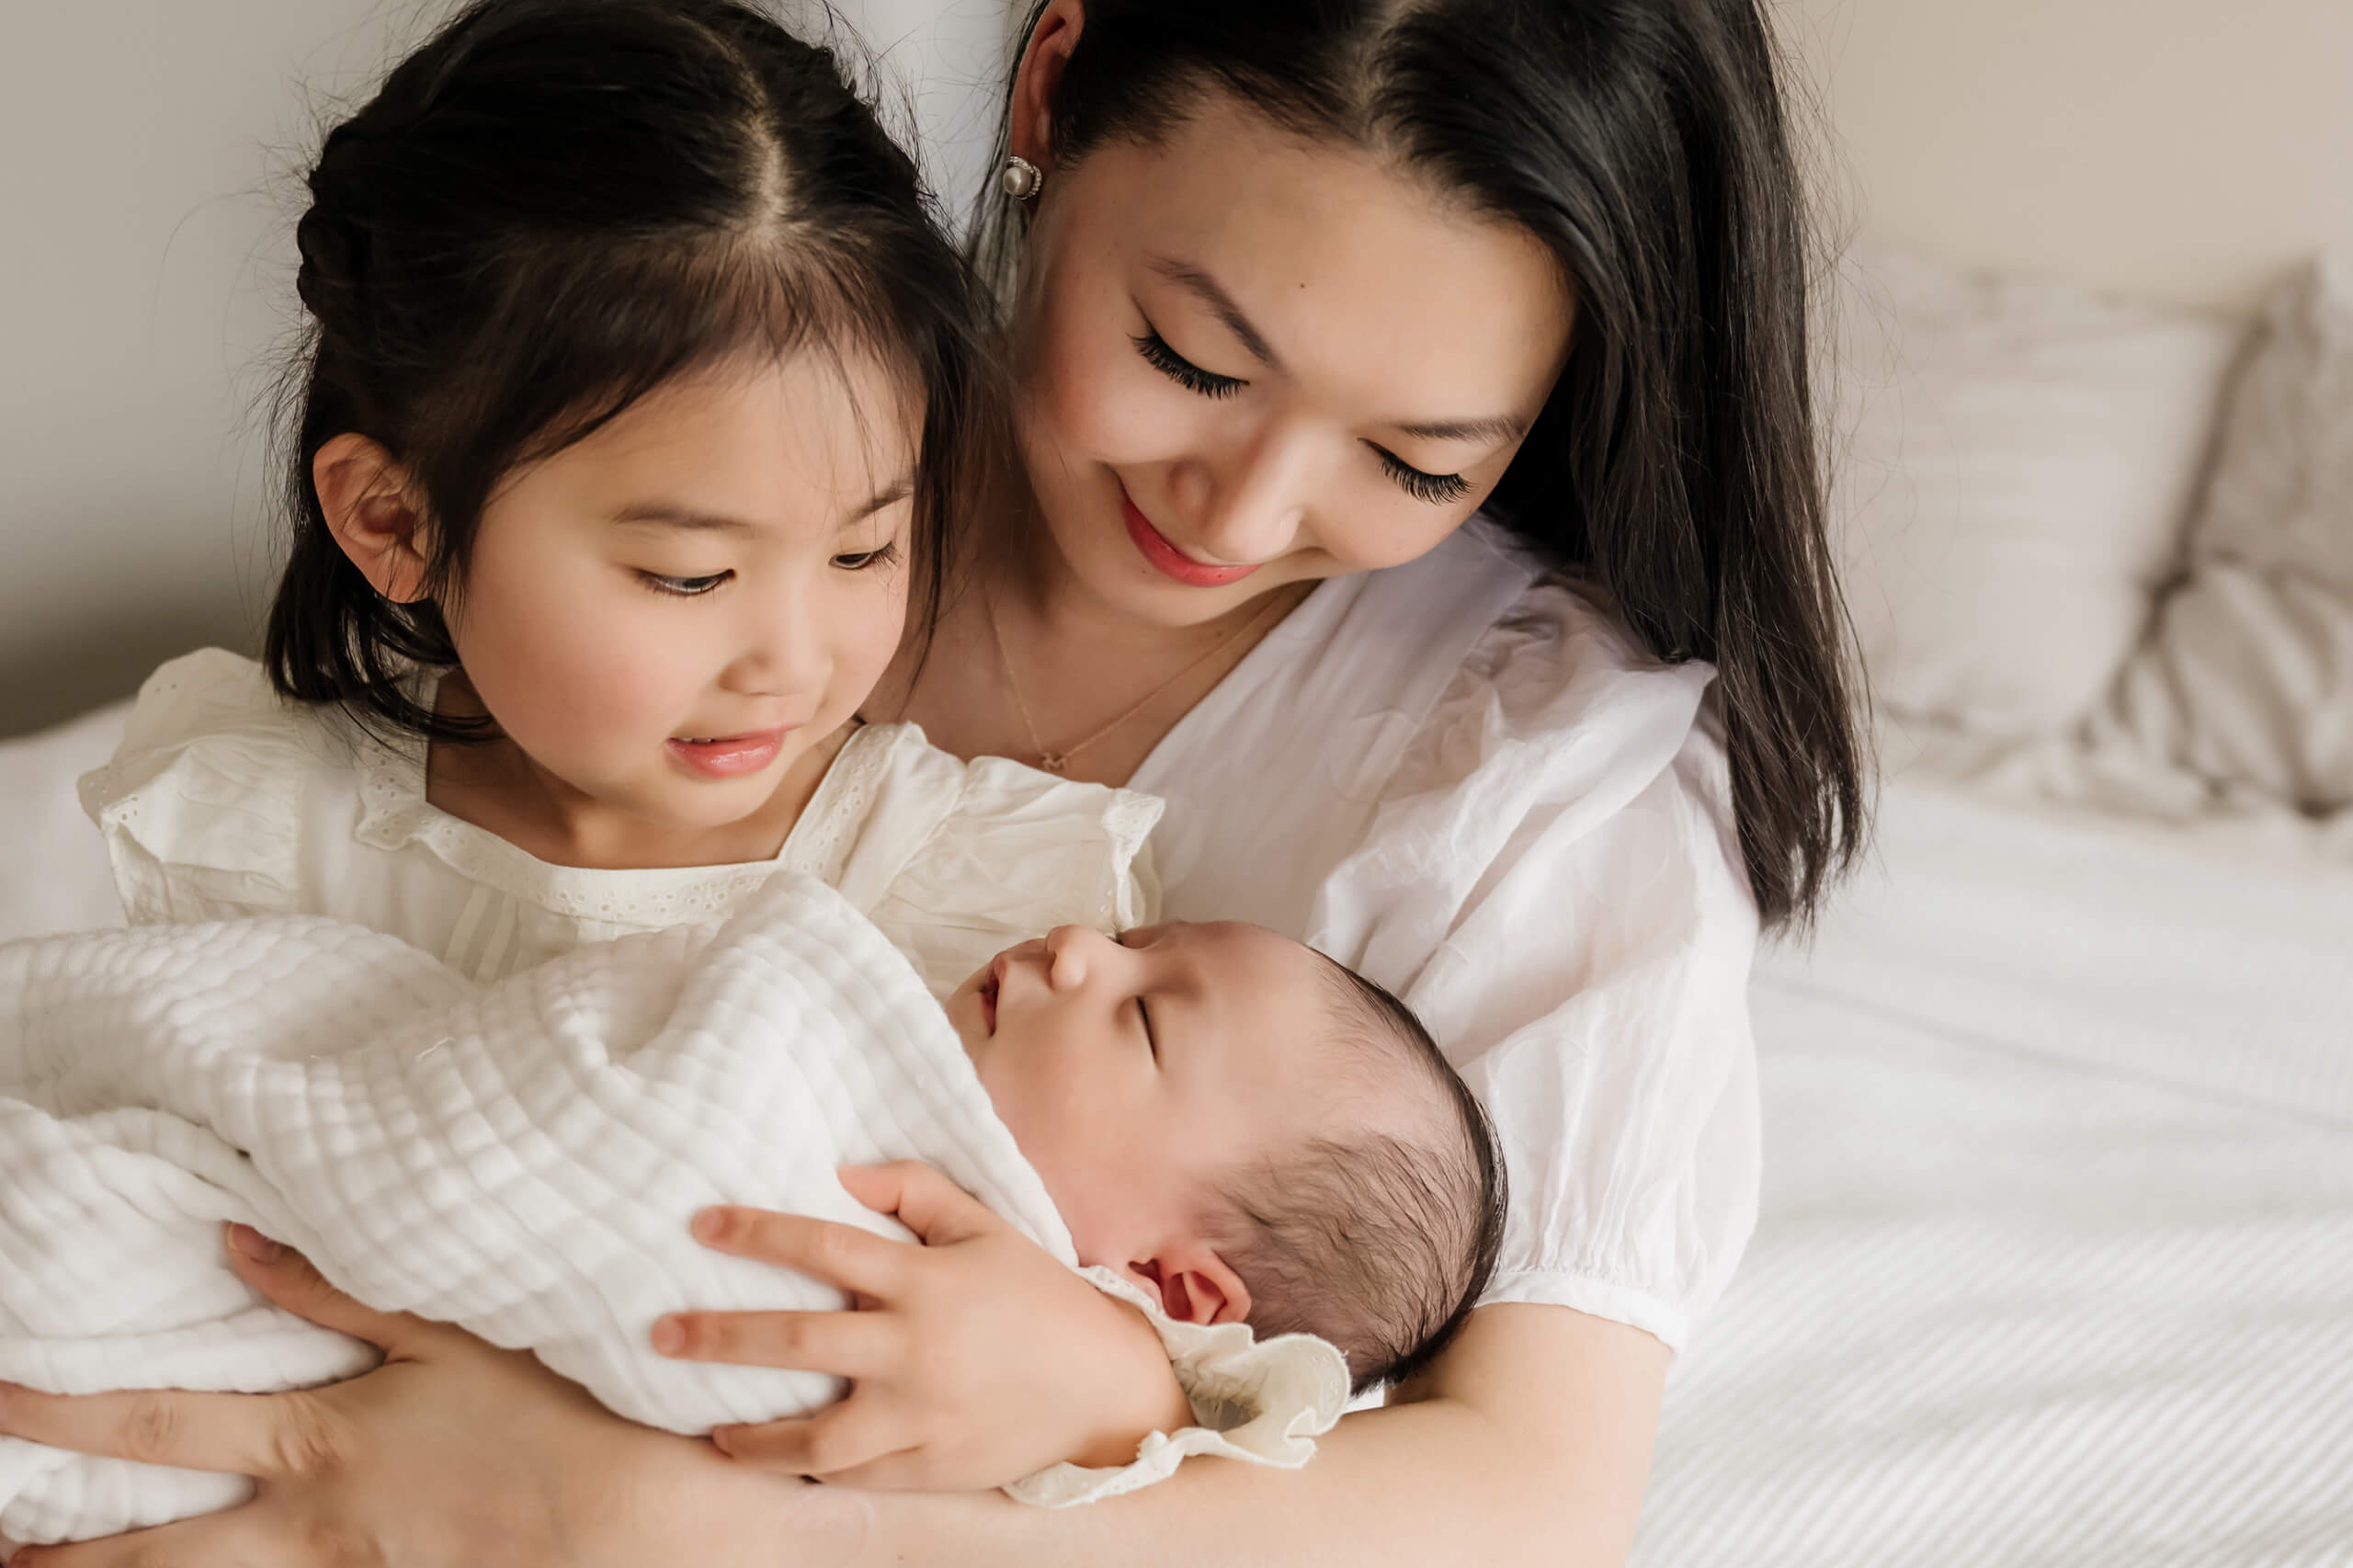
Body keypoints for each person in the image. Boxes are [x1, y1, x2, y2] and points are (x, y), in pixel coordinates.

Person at [0, 1, 1866, 1564]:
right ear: (1049, 90)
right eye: (1184, 354)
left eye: (1411, 455)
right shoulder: (766, 390)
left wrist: (636, 1517)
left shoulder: (1524, 791)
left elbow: (1519, 1496)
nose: (1242, 511)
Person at [74, 0, 1156, 1004]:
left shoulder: (995, 915)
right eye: (689, 575)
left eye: (863, 550)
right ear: (396, 521)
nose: (788, 661)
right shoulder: (255, 830)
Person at [0, 882, 1501, 1544]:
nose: (1078, 950)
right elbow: (591, 1092)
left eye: (1147, 1019)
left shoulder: (1058, 1413)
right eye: (1134, 938)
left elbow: (647, 1206)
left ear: (1181, 1292)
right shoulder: (865, 1092)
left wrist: (1103, 1391)